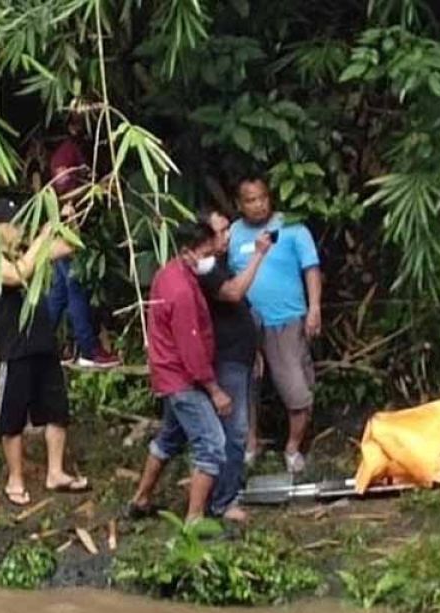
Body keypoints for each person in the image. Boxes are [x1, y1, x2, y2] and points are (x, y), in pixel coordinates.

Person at [0, 196, 90, 506]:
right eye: (12, 225)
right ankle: (15, 478)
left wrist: (68, 220)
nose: (17, 230)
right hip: (12, 346)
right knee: (12, 417)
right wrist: (42, 239)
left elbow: (73, 245)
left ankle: (55, 472)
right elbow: (19, 274)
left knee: (57, 407)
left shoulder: (30, 251)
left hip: (42, 339)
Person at [127, 218, 232, 524]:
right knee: (212, 445)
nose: (208, 258)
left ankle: (141, 499)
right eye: (204, 253)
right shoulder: (183, 291)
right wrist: (214, 391)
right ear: (188, 252)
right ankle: (195, 519)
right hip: (183, 379)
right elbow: (192, 348)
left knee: (170, 438)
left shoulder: (167, 273)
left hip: (168, 373)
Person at [228, 173, 323, 474]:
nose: (258, 205)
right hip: (247, 322)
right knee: (245, 388)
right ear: (239, 204)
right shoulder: (233, 234)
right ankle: (250, 444)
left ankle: (293, 448)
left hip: (286, 321)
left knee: (296, 389)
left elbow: (311, 269)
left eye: (263, 198)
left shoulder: (291, 226)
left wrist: (314, 308)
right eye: (250, 200)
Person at [198, 210, 273, 522]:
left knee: (236, 429)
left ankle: (227, 490)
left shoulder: (219, 263)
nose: (227, 236)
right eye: (220, 231)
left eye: (228, 229)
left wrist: (254, 349)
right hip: (226, 359)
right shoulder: (206, 268)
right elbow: (234, 293)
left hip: (239, 356)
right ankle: (222, 501)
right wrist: (258, 255)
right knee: (234, 430)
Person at [47, 111, 121, 369]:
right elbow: (64, 193)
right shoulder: (65, 155)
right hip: (70, 230)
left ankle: (43, 344)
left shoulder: (77, 151)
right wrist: (97, 188)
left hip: (71, 229)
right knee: (75, 286)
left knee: (59, 291)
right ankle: (89, 350)